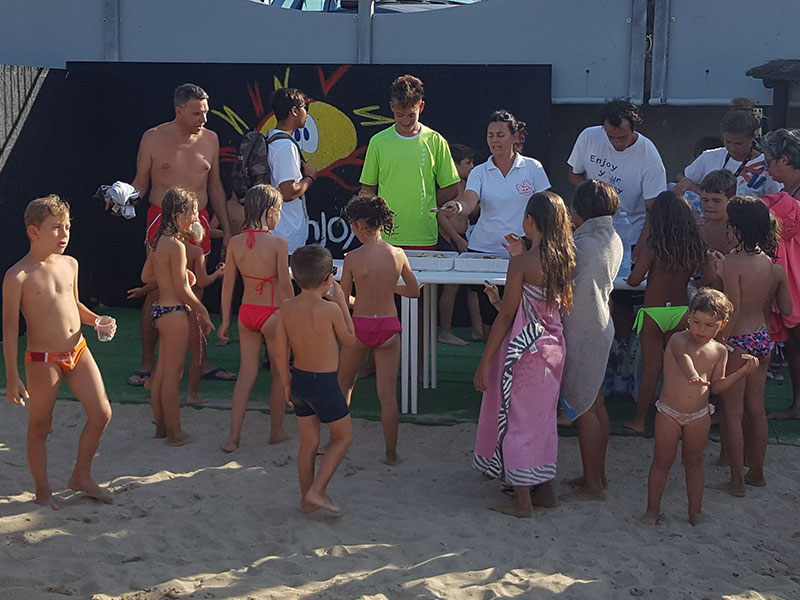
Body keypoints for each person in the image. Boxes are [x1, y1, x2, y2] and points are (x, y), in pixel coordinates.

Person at [3, 195, 115, 508]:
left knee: (102, 412)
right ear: (33, 232)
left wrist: (96, 321)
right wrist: (12, 376)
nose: (64, 234)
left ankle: (81, 475)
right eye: (56, 228)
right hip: (42, 360)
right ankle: (42, 490)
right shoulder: (17, 276)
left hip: (78, 350)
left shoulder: (71, 264)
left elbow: (73, 304)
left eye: (67, 227)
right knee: (41, 425)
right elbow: (11, 329)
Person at [473, 191, 575, 518]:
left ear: (530, 221)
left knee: (517, 419)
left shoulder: (523, 263)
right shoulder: (566, 258)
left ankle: (522, 500)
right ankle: (545, 490)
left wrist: (485, 360)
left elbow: (508, 315)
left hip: (524, 350)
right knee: (541, 419)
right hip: (553, 346)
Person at [128, 83, 233, 387]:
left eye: (206, 111)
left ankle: (200, 362)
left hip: (197, 219)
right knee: (157, 289)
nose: (204, 118)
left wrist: (225, 230)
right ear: (179, 111)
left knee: (196, 288)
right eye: (197, 112)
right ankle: (148, 363)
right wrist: (121, 198)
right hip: (160, 218)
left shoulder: (210, 139)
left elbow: (215, 186)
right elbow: (140, 183)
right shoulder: (153, 137)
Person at [641, 288, 758, 526]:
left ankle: (696, 512)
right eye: (696, 322)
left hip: (699, 415)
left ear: (722, 326)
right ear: (688, 317)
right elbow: (683, 357)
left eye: (709, 325)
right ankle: (652, 510)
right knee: (662, 461)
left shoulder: (719, 351)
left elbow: (716, 387)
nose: (700, 330)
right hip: (669, 413)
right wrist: (692, 375)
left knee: (693, 464)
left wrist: (742, 374)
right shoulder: (677, 339)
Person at [709, 196, 792, 496]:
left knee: (732, 412)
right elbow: (786, 307)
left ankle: (736, 481)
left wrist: (718, 343)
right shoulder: (773, 267)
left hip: (737, 341)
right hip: (762, 339)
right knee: (757, 410)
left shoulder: (732, 265)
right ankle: (756, 472)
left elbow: (731, 310)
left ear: (737, 229)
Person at [273, 244, 357, 514]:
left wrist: (286, 382)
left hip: (299, 381)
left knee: (309, 442)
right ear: (328, 278)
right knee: (343, 437)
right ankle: (317, 491)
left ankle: (305, 500)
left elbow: (279, 350)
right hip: (324, 383)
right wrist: (343, 302)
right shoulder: (330, 310)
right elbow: (351, 340)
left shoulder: (286, 308)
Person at [337, 194, 419, 465]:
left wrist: (357, 298)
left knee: (343, 385)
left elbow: (344, 299)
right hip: (388, 325)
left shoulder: (352, 257)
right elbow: (414, 291)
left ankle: (335, 442)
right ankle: (391, 453)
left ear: (360, 225)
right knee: (387, 395)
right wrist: (388, 288)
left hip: (360, 324)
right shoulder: (397, 254)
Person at [459, 110, 552, 333]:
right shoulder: (480, 171)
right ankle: (492, 366)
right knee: (490, 321)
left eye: (500, 135)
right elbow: (470, 201)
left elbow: (546, 206)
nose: (494, 140)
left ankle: (518, 367)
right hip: (483, 249)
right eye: (490, 135)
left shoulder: (533, 168)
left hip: (523, 253)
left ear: (515, 137)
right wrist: (459, 207)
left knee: (522, 314)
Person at [559, 180, 623, 500]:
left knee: (585, 408)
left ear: (580, 210)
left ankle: (594, 484)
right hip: (601, 325)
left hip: (583, 330)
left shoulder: (582, 246)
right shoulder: (611, 237)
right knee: (595, 405)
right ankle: (596, 475)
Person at [623, 192, 707, 434]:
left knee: (651, 369)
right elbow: (708, 277)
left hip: (653, 312)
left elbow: (634, 280)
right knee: (678, 370)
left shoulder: (653, 246)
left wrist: (635, 273)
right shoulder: (694, 245)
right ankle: (679, 421)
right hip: (681, 311)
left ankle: (639, 420)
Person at [218, 184, 293, 452]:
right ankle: (276, 432)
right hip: (273, 313)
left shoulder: (236, 243)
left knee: (245, 376)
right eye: (280, 212)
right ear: (271, 212)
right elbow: (284, 286)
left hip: (246, 313)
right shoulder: (278, 244)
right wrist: (291, 315)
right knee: (278, 374)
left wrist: (225, 320)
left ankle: (233, 437)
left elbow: (228, 286)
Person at [143, 188, 214, 446]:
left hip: (160, 310)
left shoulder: (158, 241)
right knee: (173, 375)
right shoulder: (177, 245)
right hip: (174, 313)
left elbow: (146, 277)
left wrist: (180, 275)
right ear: (177, 214)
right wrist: (202, 310)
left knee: (160, 374)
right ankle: (175, 433)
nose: (195, 216)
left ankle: (161, 428)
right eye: (192, 211)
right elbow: (184, 291)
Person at [360, 74, 461, 249]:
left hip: (424, 236)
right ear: (392, 107)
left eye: (411, 115)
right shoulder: (378, 141)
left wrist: (427, 204)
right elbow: (368, 188)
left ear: (421, 107)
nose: (405, 121)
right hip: (385, 237)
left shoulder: (435, 140)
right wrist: (371, 216)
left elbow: (452, 187)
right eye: (400, 115)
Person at [567, 99, 666, 249]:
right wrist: (595, 196)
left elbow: (654, 208)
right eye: (610, 137)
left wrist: (642, 244)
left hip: (630, 236)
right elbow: (574, 174)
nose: (616, 143)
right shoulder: (588, 137)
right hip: (591, 233)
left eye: (622, 137)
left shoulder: (649, 155)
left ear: (633, 129)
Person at [760, 129, 800, 420]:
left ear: (785, 159)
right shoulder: (788, 193)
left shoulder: (789, 196)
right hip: (792, 280)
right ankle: (797, 405)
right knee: (795, 343)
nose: (767, 168)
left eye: (769, 161)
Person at [675, 98, 781, 199]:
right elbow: (683, 176)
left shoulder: (766, 165)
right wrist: (686, 182)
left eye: (739, 143)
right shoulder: (709, 156)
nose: (732, 147)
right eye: (728, 142)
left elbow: (777, 197)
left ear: (751, 138)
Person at [437, 143, 483, 345]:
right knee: (451, 287)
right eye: (468, 163)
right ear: (454, 164)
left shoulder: (466, 185)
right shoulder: (450, 185)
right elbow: (439, 214)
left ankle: (478, 329)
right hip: (450, 239)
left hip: (465, 238)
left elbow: (470, 211)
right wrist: (456, 238)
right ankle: (445, 332)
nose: (472, 166)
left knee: (473, 287)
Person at [267, 87, 317, 254]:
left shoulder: (273, 140)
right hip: (286, 235)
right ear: (294, 111)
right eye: (305, 108)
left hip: (281, 234)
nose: (307, 114)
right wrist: (310, 177)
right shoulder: (285, 146)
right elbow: (288, 192)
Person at [699, 170, 738, 255]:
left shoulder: (735, 231)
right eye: (705, 200)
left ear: (731, 200)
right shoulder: (697, 224)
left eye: (716, 201)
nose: (709, 205)